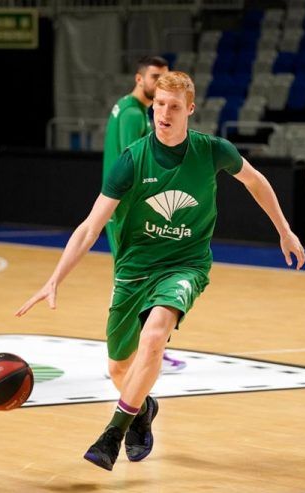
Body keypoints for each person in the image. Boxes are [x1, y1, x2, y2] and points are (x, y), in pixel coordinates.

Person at [17, 71, 305, 471]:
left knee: (154, 336)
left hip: (185, 265)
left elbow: (255, 181)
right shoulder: (132, 159)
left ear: (189, 109)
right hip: (135, 269)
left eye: (173, 106)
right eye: (158, 105)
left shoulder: (212, 150)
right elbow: (90, 227)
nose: (163, 113)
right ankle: (141, 410)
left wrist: (285, 230)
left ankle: (112, 435)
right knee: (119, 367)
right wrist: (54, 279)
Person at [103, 55, 186, 373]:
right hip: (129, 209)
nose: (160, 83)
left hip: (129, 208)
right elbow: (135, 161)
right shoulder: (132, 113)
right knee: (133, 278)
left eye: (165, 78)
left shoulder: (130, 109)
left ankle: (143, 346)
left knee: (143, 276)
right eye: (155, 77)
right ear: (140, 79)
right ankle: (126, 350)